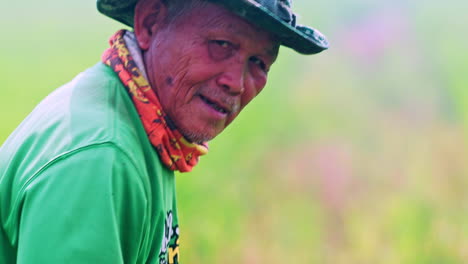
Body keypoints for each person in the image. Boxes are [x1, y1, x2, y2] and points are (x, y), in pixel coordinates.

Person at [0, 0, 328, 263]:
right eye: (222, 44)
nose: (237, 83)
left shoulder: (150, 132)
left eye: (258, 63)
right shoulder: (99, 159)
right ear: (150, 23)